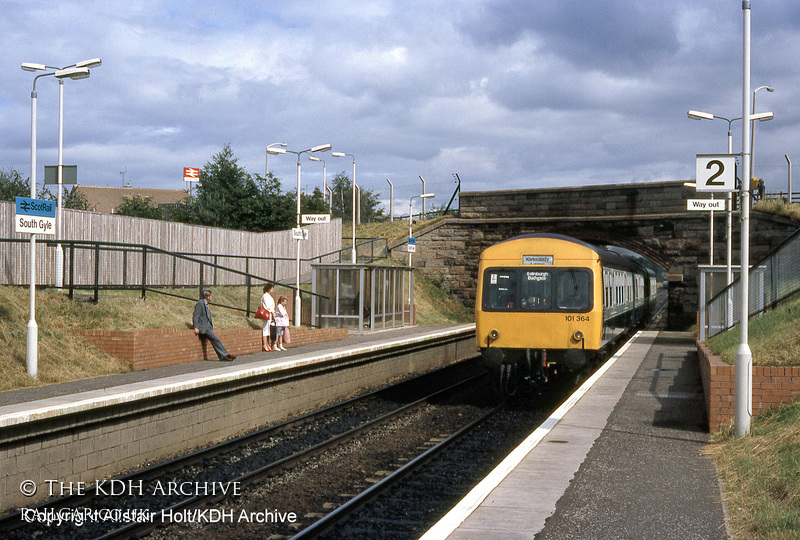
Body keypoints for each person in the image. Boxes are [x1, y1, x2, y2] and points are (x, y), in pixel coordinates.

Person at [193, 290, 235, 361]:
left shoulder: (205, 303)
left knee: (215, 340)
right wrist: (196, 327)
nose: (211, 297)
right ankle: (224, 355)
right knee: (215, 339)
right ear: (207, 297)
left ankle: (224, 355)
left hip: (208, 327)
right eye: (211, 296)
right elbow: (195, 316)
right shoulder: (200, 303)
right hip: (204, 327)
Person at [260, 284, 276, 351]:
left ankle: (267, 344)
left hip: (270, 315)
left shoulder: (269, 296)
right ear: (269, 289)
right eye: (272, 288)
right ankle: (264, 344)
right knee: (265, 329)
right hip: (267, 314)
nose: (272, 290)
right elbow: (267, 306)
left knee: (268, 330)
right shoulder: (265, 296)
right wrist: (272, 312)